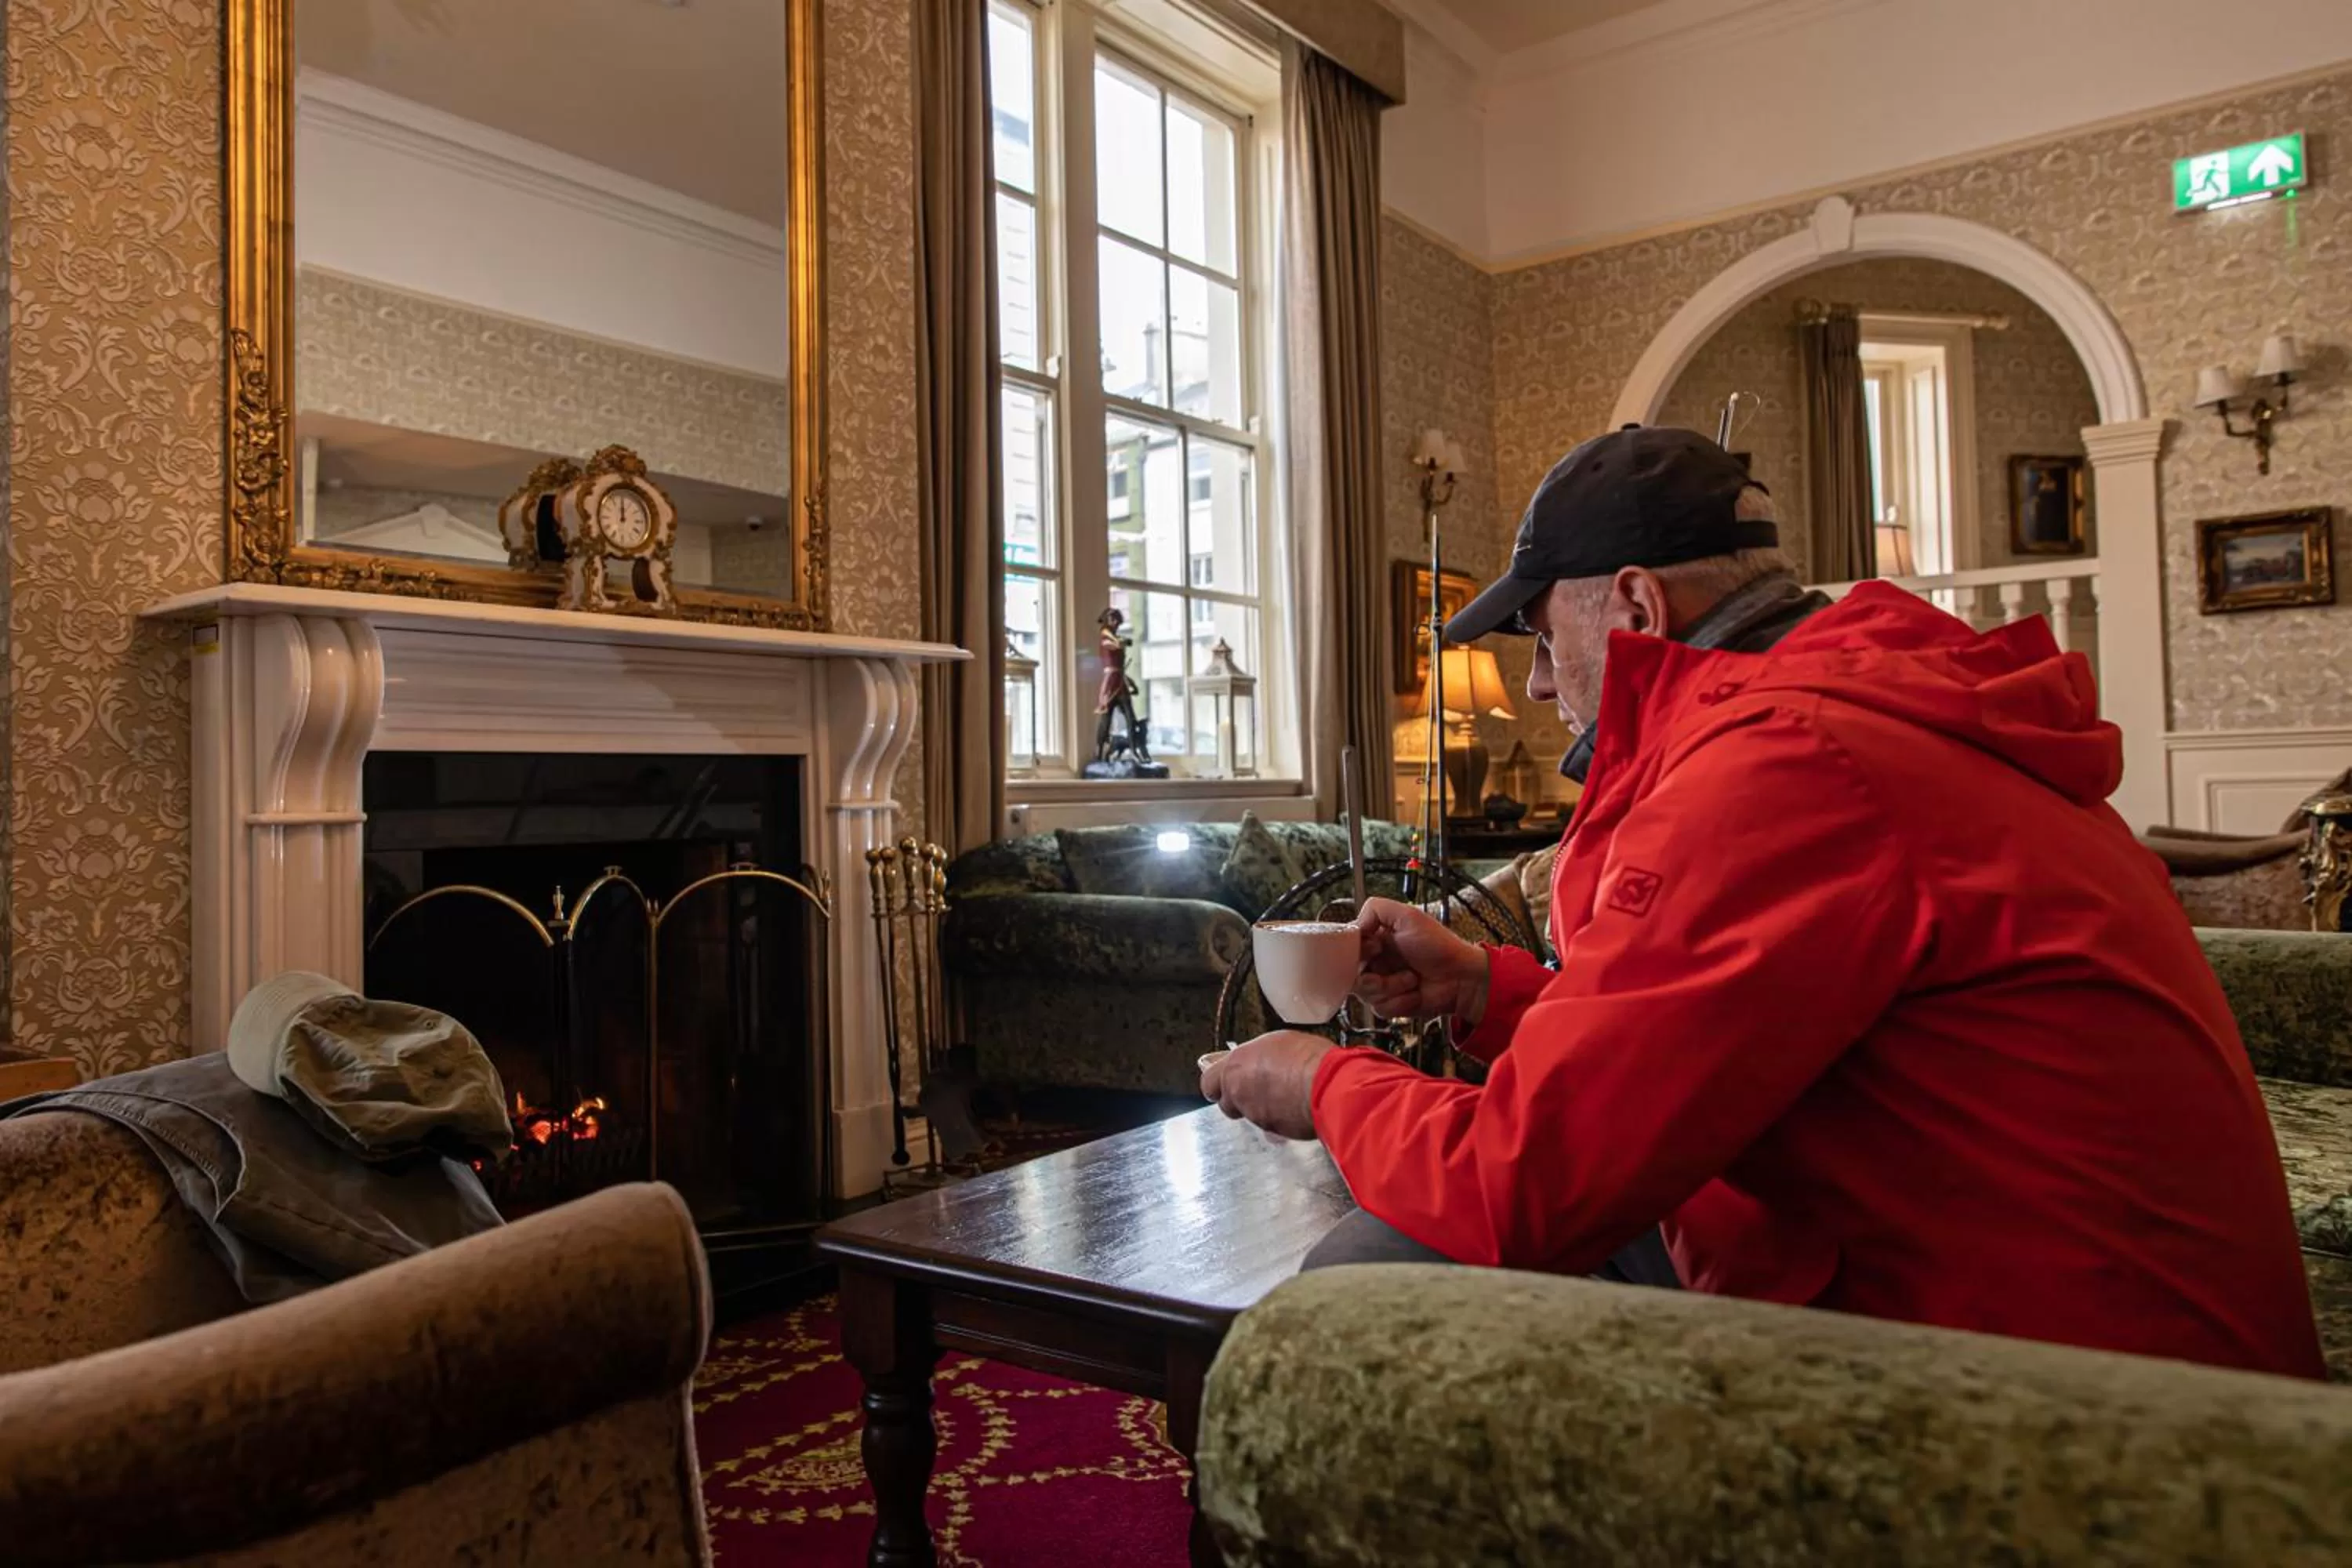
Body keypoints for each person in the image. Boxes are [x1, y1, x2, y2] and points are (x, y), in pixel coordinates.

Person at [1203, 425, 2324, 1378]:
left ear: (1634, 606)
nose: (1540, 685)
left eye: (1543, 639)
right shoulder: (1863, 712)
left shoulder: (1785, 768)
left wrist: (1324, 1081)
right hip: (2065, 1296)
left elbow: (1521, 1188)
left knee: (1367, 1287)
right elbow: (1734, 1035)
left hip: (2057, 1382)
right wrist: (1482, 987)